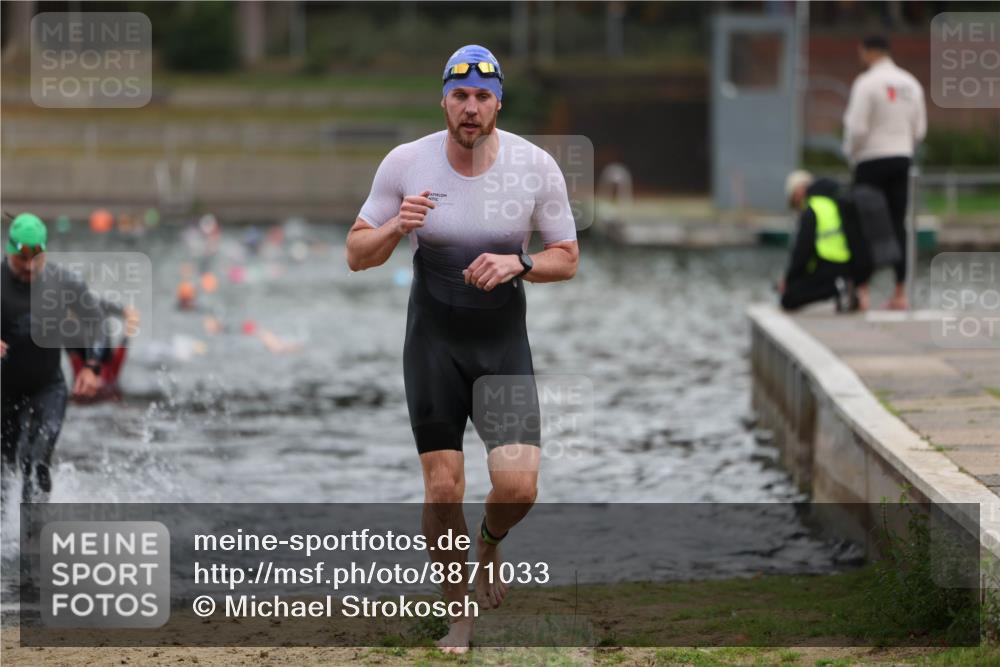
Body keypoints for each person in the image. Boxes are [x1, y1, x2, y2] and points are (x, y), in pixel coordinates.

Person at [345, 44, 578, 653]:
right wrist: (397, 226)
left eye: (481, 97)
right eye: (460, 96)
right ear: (443, 101)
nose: (470, 108)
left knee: (519, 488)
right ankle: (459, 616)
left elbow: (567, 258)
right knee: (443, 487)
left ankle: (490, 544)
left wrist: (519, 263)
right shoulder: (406, 163)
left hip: (501, 344)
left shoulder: (535, 166)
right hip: (434, 343)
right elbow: (356, 254)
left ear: (498, 102)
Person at [1, 213, 103, 503]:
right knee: (3, 474)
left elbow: (97, 323)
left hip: (47, 388)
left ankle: (36, 527)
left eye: (36, 258)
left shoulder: (64, 283)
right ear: (9, 251)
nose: (30, 266)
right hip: (3, 393)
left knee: (37, 462)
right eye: (22, 259)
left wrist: (92, 367)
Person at [842, 34, 926, 310]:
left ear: (866, 51)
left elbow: (857, 128)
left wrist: (852, 153)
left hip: (870, 161)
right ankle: (900, 292)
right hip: (901, 158)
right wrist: (904, 146)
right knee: (898, 223)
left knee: (863, 224)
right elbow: (919, 129)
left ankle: (862, 289)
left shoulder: (866, 83)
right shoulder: (911, 83)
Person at [779, 171, 859, 312]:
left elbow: (802, 252)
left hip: (831, 265)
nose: (795, 202)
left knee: (789, 298)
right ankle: (842, 290)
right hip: (846, 266)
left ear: (799, 190)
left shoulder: (812, 209)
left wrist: (790, 280)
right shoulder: (829, 203)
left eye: (793, 196)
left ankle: (839, 289)